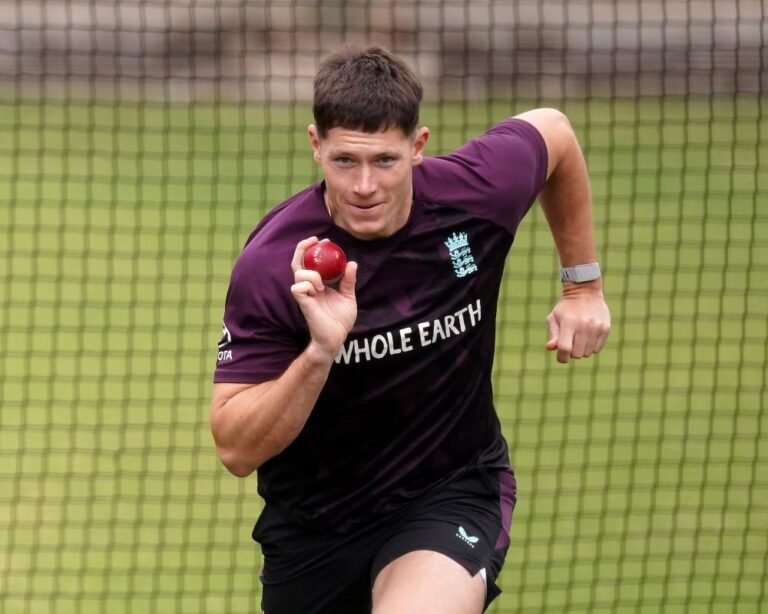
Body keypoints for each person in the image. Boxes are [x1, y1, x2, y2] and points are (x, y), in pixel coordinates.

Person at [210, 45, 611, 614]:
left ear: (418, 146)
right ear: (316, 146)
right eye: (345, 160)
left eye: (385, 161)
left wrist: (582, 287)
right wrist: (321, 353)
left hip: (449, 492)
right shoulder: (276, 264)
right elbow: (235, 447)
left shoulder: (471, 196)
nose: (365, 185)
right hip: (317, 526)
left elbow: (555, 132)